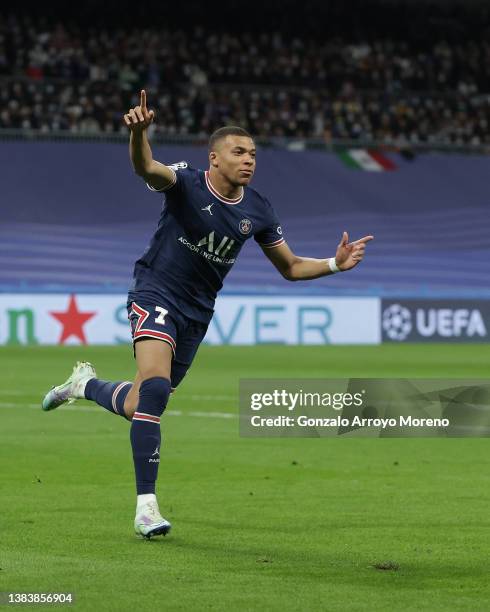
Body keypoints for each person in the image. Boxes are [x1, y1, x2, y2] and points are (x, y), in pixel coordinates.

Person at [41, 90, 374, 539]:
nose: (248, 160)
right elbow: (146, 167)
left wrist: (335, 264)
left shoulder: (258, 208)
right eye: (239, 152)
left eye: (253, 153)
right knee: (156, 389)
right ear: (214, 158)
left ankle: (84, 386)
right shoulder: (186, 183)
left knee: (141, 402)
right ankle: (146, 509)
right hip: (155, 291)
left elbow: (292, 267)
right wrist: (140, 134)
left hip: (197, 313)